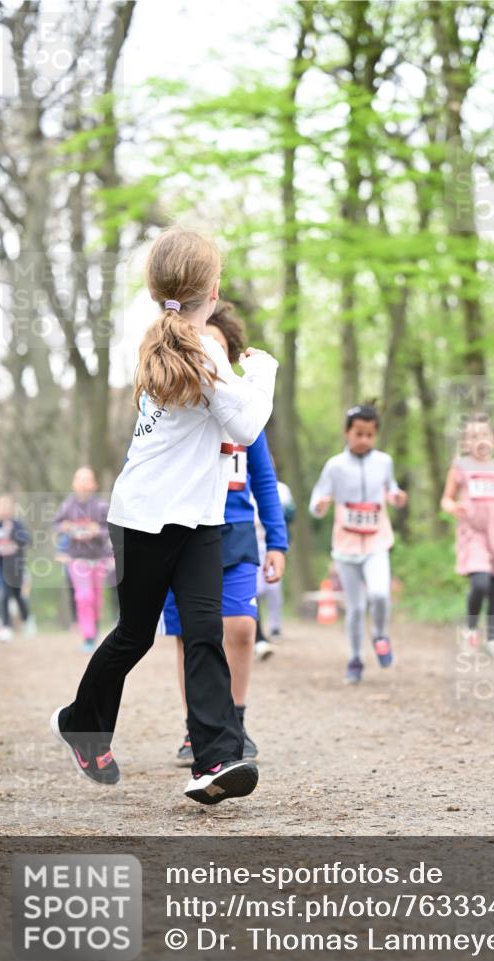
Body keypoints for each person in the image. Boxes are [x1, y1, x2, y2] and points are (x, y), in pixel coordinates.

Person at [50, 226, 278, 806]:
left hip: (200, 518)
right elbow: (248, 426)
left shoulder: (184, 340)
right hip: (146, 517)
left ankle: (216, 759)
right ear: (214, 287)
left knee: (205, 632)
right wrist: (265, 372)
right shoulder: (197, 348)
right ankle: (82, 719)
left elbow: (233, 425)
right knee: (134, 636)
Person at [158, 299, 288, 767]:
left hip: (233, 532)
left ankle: (236, 718)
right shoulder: (177, 409)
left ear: (230, 357)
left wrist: (277, 541)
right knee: (191, 635)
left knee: (240, 625)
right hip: (181, 531)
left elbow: (265, 481)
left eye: (218, 347)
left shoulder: (246, 417)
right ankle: (198, 729)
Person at [309, 404, 407, 684]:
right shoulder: (335, 466)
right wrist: (320, 505)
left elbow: (391, 488)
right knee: (354, 607)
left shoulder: (384, 462)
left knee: (379, 595)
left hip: (377, 540)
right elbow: (316, 501)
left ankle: (379, 634)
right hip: (346, 545)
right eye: (358, 434)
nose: (364, 440)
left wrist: (397, 497)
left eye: (369, 435)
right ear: (347, 433)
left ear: (375, 435)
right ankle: (354, 659)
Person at [440, 412, 494, 660]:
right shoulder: (460, 467)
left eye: (485, 434)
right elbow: (446, 498)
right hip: (473, 534)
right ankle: (470, 632)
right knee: (480, 583)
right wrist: (452, 507)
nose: (480, 440)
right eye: (473, 436)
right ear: (466, 443)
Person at [53, 467, 111, 652]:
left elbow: (112, 529)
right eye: (80, 479)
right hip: (77, 558)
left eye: (88, 480)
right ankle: (88, 637)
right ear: (74, 484)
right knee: (83, 597)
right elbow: (56, 525)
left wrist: (98, 531)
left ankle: (94, 631)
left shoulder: (102, 506)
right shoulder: (67, 506)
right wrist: (66, 527)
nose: (84, 483)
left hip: (98, 558)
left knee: (95, 599)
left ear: (94, 484)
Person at [0, 495, 34, 641]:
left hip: (16, 568)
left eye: (7, 506)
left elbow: (28, 541)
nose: (4, 510)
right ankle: (6, 627)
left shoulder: (17, 525)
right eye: (1, 506)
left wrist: (13, 538)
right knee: (4, 595)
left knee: (18, 596)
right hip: (0, 568)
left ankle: (27, 620)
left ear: (12, 509)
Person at [256, 478, 294, 642]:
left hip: (270, 542)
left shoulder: (282, 489)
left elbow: (292, 515)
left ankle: (275, 626)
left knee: (273, 588)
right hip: (250, 541)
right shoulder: (243, 484)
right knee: (255, 590)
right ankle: (257, 630)